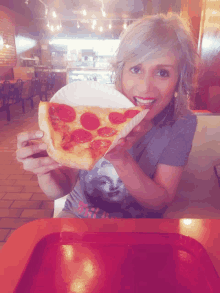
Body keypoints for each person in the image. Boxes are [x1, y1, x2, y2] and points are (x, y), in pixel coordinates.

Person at [16, 13, 199, 218]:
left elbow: (159, 203)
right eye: (136, 69)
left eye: (162, 72)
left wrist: (119, 158)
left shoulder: (181, 123)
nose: (145, 87)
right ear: (120, 72)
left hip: (139, 231)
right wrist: (45, 168)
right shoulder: (94, 106)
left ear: (179, 80)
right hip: (77, 219)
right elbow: (59, 189)